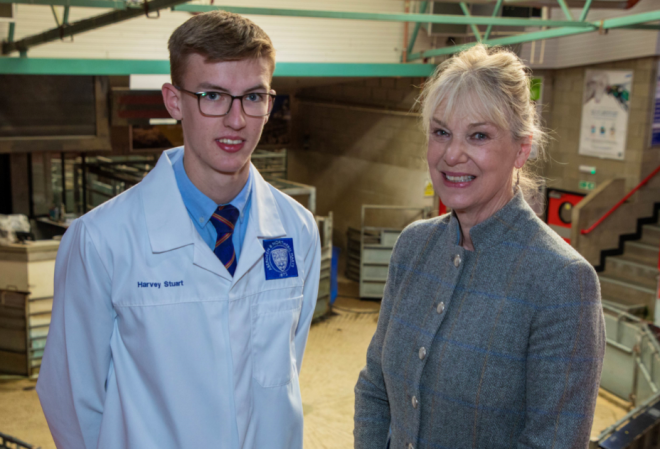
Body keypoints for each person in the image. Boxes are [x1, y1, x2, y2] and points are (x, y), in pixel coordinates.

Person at [37, 11, 321, 449]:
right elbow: (73, 401)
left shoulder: (296, 231)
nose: (236, 119)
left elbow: (286, 370)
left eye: (253, 97)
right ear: (173, 101)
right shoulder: (102, 240)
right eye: (212, 95)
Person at [354, 44, 605, 449]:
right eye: (441, 132)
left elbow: (551, 442)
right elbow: (374, 387)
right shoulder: (414, 246)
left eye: (479, 135)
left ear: (521, 149)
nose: (452, 154)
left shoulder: (561, 281)